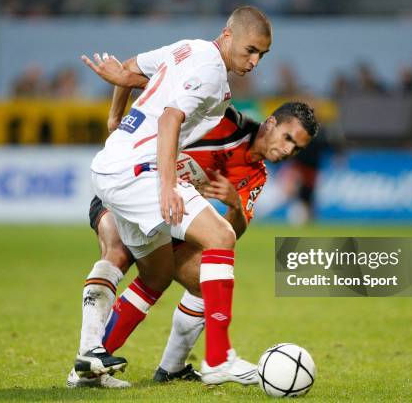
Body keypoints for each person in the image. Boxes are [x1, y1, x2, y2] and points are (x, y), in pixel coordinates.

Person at [70, 75, 317, 389]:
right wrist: (117, 112)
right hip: (131, 188)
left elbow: (229, 236)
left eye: (296, 148)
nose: (287, 150)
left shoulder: (256, 174)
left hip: (168, 214)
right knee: (118, 252)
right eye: (287, 138)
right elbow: (151, 89)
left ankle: (167, 368)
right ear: (270, 123)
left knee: (202, 282)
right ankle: (87, 359)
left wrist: (235, 207)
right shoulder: (221, 122)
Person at [73, 6, 273, 387]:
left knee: (157, 274)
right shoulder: (211, 73)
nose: (254, 61)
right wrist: (167, 184)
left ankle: (87, 368)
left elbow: (128, 69)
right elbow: (169, 119)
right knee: (221, 237)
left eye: (261, 55)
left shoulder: (189, 48)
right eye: (250, 50)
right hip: (141, 172)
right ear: (227, 35)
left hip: (114, 165)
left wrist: (115, 119)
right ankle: (218, 358)